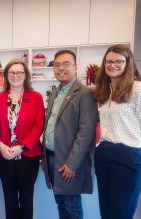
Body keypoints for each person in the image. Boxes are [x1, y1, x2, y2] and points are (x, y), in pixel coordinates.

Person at [42, 50, 98, 219]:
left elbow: (86, 132)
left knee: (72, 206)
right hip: (52, 158)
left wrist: (72, 164)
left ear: (75, 66)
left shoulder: (85, 93)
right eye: (57, 65)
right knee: (60, 203)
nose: (61, 68)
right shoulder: (54, 93)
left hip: (68, 161)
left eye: (66, 64)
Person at [0, 59, 45, 219]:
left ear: (25, 75)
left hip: (28, 156)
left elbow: (38, 126)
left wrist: (21, 147)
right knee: (9, 198)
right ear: (6, 76)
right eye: (12, 72)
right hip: (5, 155)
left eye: (19, 72)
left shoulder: (35, 97)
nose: (15, 75)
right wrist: (0, 145)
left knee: (26, 198)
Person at [93, 44, 141, 219]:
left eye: (118, 61)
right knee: (106, 211)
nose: (112, 65)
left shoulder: (137, 89)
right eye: (109, 61)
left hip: (128, 155)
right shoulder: (104, 91)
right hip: (104, 153)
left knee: (121, 212)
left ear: (128, 63)